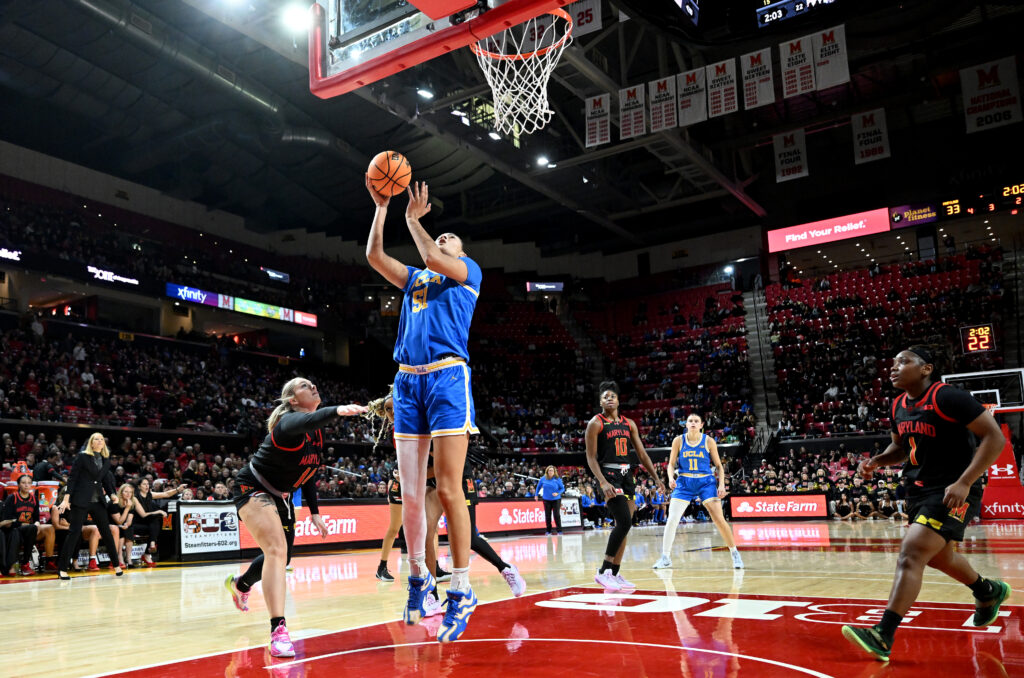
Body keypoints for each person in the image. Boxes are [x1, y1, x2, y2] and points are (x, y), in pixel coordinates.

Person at [365, 177, 482, 643]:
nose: (444, 238)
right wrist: (381, 208)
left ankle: (463, 586)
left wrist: (414, 220)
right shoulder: (416, 279)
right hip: (407, 381)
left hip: (449, 377)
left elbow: (435, 255)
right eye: (442, 234)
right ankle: (420, 581)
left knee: (449, 489)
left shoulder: (467, 271)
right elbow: (375, 258)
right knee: (412, 495)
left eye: (451, 236)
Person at [841, 345, 1010, 662]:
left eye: (903, 361)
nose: (893, 367)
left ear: (926, 368)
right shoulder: (898, 405)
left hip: (954, 489)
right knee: (937, 557)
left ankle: (883, 634)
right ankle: (987, 591)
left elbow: (994, 438)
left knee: (912, 552)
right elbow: (900, 448)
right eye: (892, 363)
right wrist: (878, 461)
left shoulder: (948, 397)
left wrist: (965, 481)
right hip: (918, 489)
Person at [224, 377, 366, 658]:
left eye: (313, 384)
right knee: (276, 551)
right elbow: (307, 423)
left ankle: (240, 584)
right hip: (252, 486)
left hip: (282, 493)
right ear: (292, 400)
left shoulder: (315, 434)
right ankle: (278, 632)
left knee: (283, 556)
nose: (313, 386)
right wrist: (338, 410)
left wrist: (315, 513)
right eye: (304, 386)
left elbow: (309, 471)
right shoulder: (287, 424)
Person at [585, 381, 665, 592]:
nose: (609, 398)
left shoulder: (629, 423)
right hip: (609, 475)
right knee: (623, 522)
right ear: (600, 402)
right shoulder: (596, 423)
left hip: (627, 475)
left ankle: (615, 572)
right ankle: (603, 571)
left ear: (618, 400)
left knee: (626, 527)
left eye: (612, 395)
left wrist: (656, 477)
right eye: (605, 397)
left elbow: (641, 453)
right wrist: (602, 481)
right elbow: (591, 457)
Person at [654, 413, 743, 570]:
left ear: (702, 425)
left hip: (705, 481)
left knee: (719, 520)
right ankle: (665, 557)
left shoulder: (708, 441)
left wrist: (721, 484)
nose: (693, 423)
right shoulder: (678, 440)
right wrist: (670, 477)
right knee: (672, 518)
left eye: (696, 421)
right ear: (686, 424)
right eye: (690, 421)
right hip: (684, 482)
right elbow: (671, 464)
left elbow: (719, 466)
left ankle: (735, 553)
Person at [55, 432, 121, 580]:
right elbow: (72, 479)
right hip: (81, 500)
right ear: (91, 443)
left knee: (107, 533)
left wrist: (112, 494)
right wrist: (66, 499)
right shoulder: (83, 457)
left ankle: (116, 565)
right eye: (96, 439)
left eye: (101, 439)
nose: (99, 441)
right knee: (74, 532)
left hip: (98, 502)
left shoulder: (106, 460)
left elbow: (106, 481)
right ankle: (62, 569)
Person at [1, 474, 56, 574]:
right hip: (15, 530)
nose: (26, 485)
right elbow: (7, 521)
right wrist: (25, 525)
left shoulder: (34, 499)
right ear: (18, 485)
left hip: (30, 530)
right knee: (31, 528)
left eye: (29, 483)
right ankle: (25, 564)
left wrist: (38, 523)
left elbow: (36, 518)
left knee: (49, 528)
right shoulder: (12, 498)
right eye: (23, 483)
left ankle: (49, 562)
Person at [132, 477, 184, 567]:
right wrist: (158, 511)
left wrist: (178, 489)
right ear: (139, 487)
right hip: (136, 524)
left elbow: (166, 494)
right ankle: (149, 551)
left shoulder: (150, 494)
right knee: (155, 521)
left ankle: (151, 546)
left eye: (148, 484)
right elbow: (143, 515)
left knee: (155, 522)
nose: (147, 486)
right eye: (144, 484)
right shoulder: (135, 498)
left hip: (148, 524)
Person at [377, 466, 403, 582]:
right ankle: (381, 568)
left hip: (415, 485)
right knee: (394, 529)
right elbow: (394, 474)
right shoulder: (402, 453)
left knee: (419, 528)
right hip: (400, 486)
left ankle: (424, 566)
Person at [536, 465, 565, 535]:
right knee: (547, 515)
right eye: (549, 470)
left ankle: (559, 530)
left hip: (556, 500)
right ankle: (548, 530)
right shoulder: (543, 479)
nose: (550, 471)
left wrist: (557, 493)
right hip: (546, 500)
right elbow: (538, 487)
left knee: (556, 515)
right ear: (547, 471)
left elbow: (562, 488)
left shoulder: (557, 479)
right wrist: (536, 495)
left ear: (554, 472)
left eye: (552, 470)